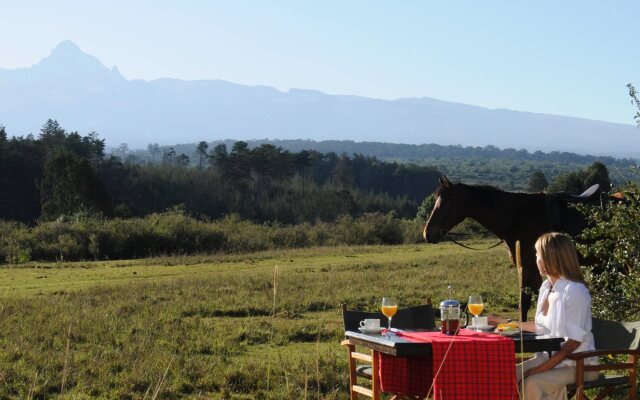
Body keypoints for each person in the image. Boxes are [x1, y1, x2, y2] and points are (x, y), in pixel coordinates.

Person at [515, 232, 598, 400]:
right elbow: (541, 327)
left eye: (537, 254)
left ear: (549, 259)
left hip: (578, 364)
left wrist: (540, 369)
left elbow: (573, 342)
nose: (535, 259)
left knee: (532, 382)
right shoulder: (547, 287)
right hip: (551, 358)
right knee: (509, 375)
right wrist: (507, 323)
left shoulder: (575, 291)